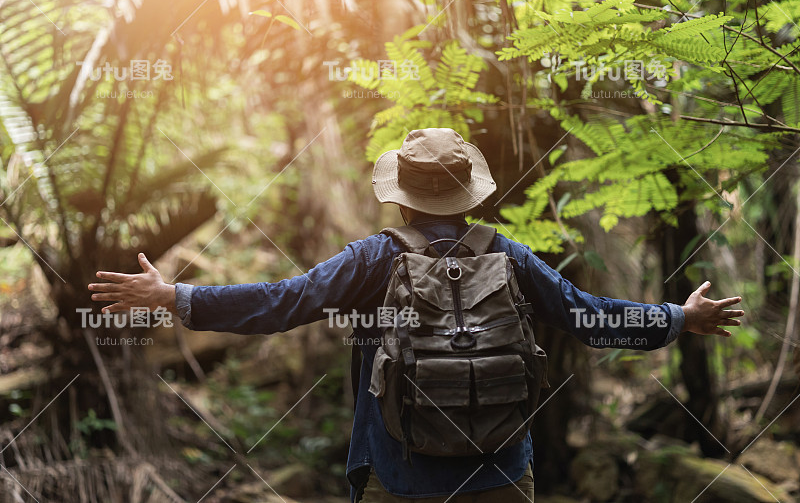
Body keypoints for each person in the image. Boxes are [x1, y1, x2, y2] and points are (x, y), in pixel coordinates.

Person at [88, 127, 744, 502]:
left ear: (401, 201)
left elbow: (285, 302)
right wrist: (678, 318)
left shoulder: (373, 258)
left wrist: (177, 296)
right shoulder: (510, 255)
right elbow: (587, 315)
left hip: (400, 475)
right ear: (467, 196)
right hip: (502, 473)